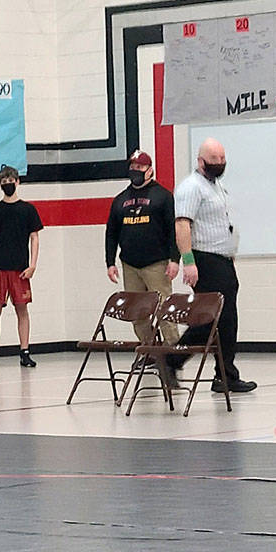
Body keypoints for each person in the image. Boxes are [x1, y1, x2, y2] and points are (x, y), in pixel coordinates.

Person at [172, 138, 256, 394]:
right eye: (214, 160)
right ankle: (171, 359)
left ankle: (224, 374)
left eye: (222, 159)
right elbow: (182, 225)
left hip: (221, 260)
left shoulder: (216, 186)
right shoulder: (191, 187)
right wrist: (188, 262)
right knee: (213, 319)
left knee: (226, 321)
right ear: (201, 161)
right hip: (204, 260)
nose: (220, 164)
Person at [104, 150, 180, 386]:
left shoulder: (163, 196)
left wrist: (174, 259)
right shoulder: (120, 200)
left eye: (139, 168)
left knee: (164, 311)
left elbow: (173, 230)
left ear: (150, 170)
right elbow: (111, 232)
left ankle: (172, 356)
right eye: (132, 167)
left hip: (156, 263)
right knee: (138, 314)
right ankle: (149, 351)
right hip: (130, 264)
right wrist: (110, 262)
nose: (135, 171)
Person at [0, 165, 42, 369]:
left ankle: (24, 352)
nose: (8, 185)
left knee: (22, 310)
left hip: (20, 269)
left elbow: (35, 238)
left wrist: (33, 265)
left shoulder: (28, 209)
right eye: (4, 183)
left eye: (11, 181)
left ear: (18, 182)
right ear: (0, 185)